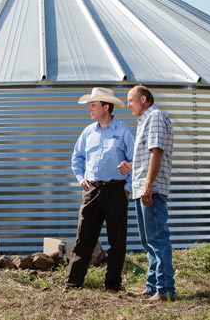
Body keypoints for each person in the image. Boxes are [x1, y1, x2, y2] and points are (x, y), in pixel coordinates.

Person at [66, 87, 135, 292]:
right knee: (84, 238)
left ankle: (112, 285)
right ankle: (73, 282)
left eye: (93, 105)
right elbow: (76, 157)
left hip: (116, 191)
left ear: (106, 107)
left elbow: (135, 160)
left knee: (117, 241)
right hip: (92, 191)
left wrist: (128, 189)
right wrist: (80, 178)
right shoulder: (88, 131)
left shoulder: (123, 131)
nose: (90, 108)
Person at [118, 85, 176, 302]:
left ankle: (165, 290)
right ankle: (152, 287)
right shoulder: (144, 121)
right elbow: (148, 156)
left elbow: (157, 152)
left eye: (130, 100)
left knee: (158, 239)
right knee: (147, 240)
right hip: (142, 186)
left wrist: (148, 185)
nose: (128, 104)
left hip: (150, 188)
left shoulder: (156, 117)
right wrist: (131, 167)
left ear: (143, 99)